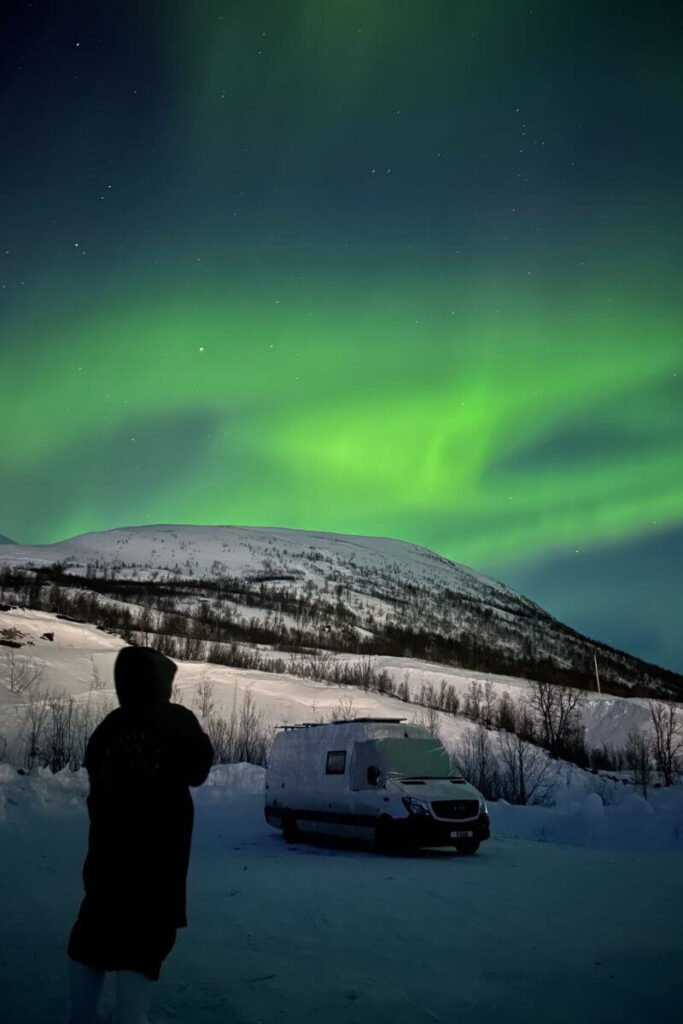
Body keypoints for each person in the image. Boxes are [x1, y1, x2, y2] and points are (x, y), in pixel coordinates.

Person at [67, 646, 214, 1024]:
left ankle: (81, 1016)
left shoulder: (109, 727)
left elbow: (96, 785)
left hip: (104, 861)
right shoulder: (175, 719)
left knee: (92, 940)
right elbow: (199, 769)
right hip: (157, 866)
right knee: (143, 946)